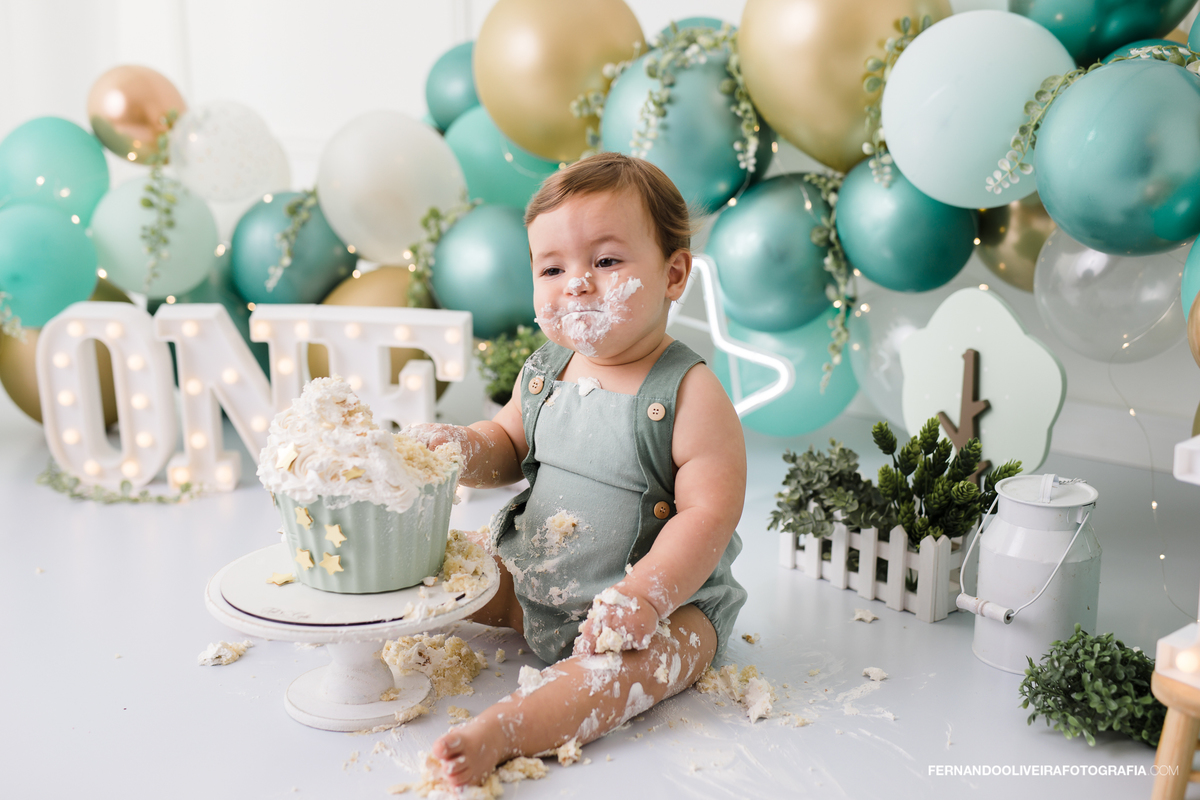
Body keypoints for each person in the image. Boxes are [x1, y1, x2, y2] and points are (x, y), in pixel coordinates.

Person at [410, 152, 747, 788]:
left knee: (626, 676)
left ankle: (508, 730)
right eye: (553, 267)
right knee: (438, 574)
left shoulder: (689, 394)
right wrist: (461, 448)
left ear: (674, 273)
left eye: (607, 261)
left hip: (657, 611)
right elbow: (508, 440)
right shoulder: (545, 369)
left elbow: (709, 513)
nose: (578, 283)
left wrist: (646, 597)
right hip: (532, 581)